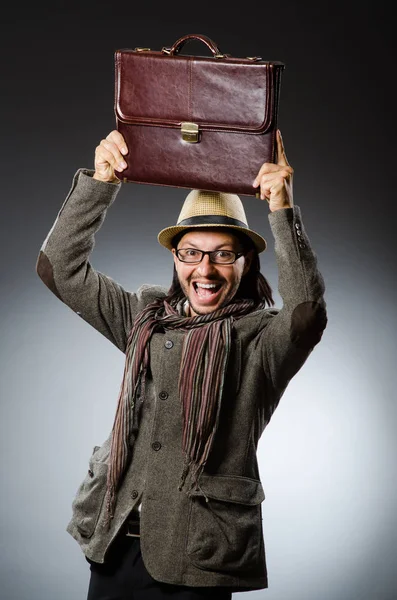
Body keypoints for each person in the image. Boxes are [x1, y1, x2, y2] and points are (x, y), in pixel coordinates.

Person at [36, 129, 327, 599]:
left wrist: (282, 210)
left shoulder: (262, 341)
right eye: (191, 253)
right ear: (175, 258)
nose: (205, 269)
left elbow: (307, 314)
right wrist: (101, 182)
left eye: (223, 254)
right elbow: (59, 267)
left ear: (247, 262)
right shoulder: (144, 319)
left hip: (198, 559)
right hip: (112, 548)